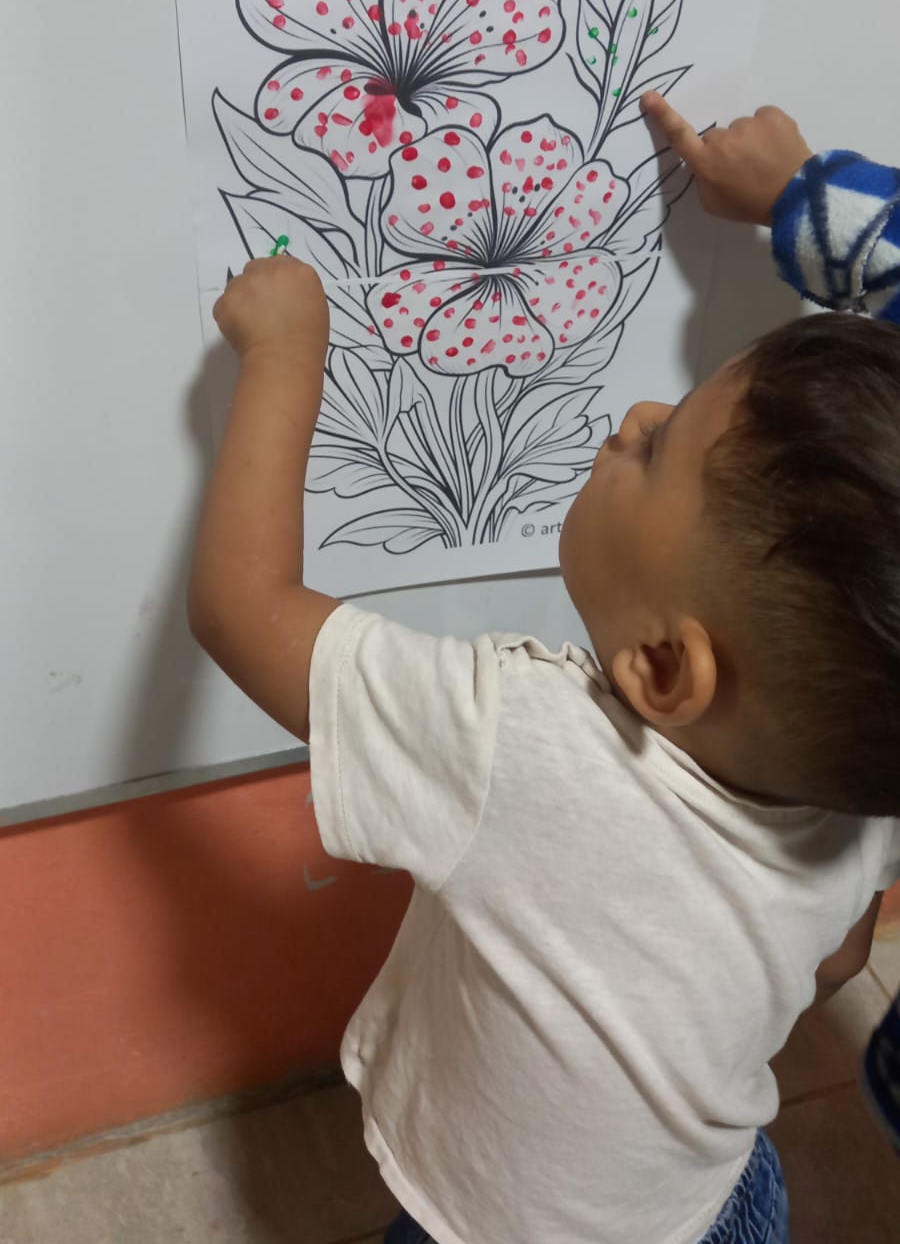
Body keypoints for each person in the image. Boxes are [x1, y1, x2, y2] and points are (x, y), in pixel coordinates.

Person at [189, 91, 900, 1244]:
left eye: (659, 450)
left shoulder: (520, 736)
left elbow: (240, 609)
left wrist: (284, 355)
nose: (637, 411)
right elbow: (842, 956)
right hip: (710, 1209)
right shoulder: (862, 782)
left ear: (662, 665)